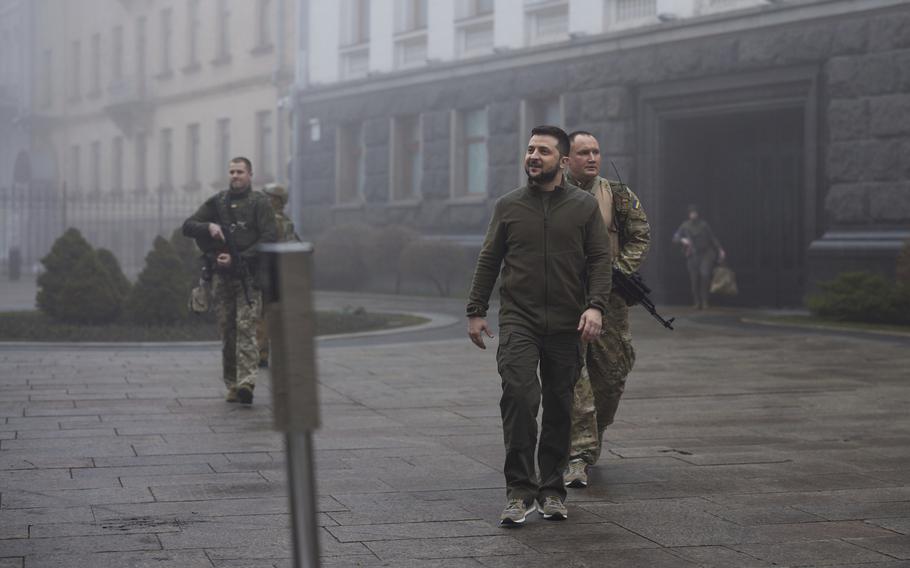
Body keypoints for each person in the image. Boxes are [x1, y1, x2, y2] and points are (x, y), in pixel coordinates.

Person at [466, 125, 613, 527]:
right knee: (518, 396)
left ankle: (551, 491)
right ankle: (519, 492)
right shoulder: (509, 206)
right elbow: (489, 258)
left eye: (543, 151)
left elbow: (600, 261)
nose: (533, 156)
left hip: (567, 323)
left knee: (560, 407)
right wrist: (476, 310)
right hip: (519, 320)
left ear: (562, 161)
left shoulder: (583, 207)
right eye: (530, 150)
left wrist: (596, 307)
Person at [561, 131, 651, 489]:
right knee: (574, 378)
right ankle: (578, 455)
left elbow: (640, 235)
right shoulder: (553, 193)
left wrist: (618, 272)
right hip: (567, 299)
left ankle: (589, 439)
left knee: (611, 377)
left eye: (596, 151)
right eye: (584, 152)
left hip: (610, 299)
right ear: (567, 159)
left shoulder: (617, 194)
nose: (592, 158)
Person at [182, 157, 277, 405]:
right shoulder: (218, 201)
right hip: (221, 278)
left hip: (249, 278)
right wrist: (209, 227)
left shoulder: (260, 203)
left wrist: (239, 259)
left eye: (240, 171)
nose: (235, 176)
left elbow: (269, 238)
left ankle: (247, 382)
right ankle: (232, 384)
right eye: (232, 171)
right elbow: (188, 225)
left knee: (246, 328)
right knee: (228, 331)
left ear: (250, 175)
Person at [256, 183, 300, 367]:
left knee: (263, 315)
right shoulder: (286, 220)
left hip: (267, 273)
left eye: (268, 197)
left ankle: (262, 353)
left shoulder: (269, 221)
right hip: (284, 273)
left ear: (276, 200)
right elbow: (297, 243)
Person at [673, 204, 725, 310]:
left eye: (695, 212)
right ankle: (697, 302)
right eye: (691, 212)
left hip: (706, 253)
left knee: (705, 275)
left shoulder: (704, 225)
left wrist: (720, 249)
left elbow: (712, 238)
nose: (693, 214)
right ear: (689, 214)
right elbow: (675, 237)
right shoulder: (685, 225)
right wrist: (683, 240)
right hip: (692, 254)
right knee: (694, 279)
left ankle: (705, 301)